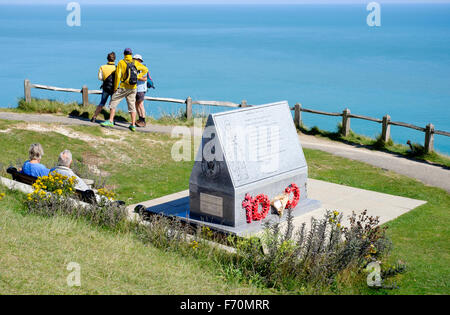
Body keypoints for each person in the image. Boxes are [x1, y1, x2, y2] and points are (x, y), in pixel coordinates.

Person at [101, 48, 148, 132]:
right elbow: (145, 69)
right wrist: (138, 76)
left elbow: (118, 76)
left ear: (124, 54)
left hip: (123, 86)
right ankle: (133, 125)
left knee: (113, 101)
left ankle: (111, 121)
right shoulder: (135, 62)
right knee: (132, 106)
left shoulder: (121, 62)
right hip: (133, 88)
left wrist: (115, 88)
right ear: (131, 54)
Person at [91, 52, 117, 123]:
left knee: (102, 103)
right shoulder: (116, 68)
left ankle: (94, 117)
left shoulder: (102, 67)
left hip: (105, 87)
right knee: (112, 105)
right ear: (114, 59)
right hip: (114, 88)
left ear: (107, 59)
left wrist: (105, 79)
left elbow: (100, 77)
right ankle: (111, 120)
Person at [132, 54, 155, 127]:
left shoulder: (143, 68)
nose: (134, 60)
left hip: (141, 88)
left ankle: (143, 120)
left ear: (139, 60)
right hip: (136, 88)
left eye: (135, 59)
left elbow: (145, 78)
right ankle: (140, 119)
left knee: (141, 104)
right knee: (136, 104)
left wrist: (137, 77)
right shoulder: (134, 67)